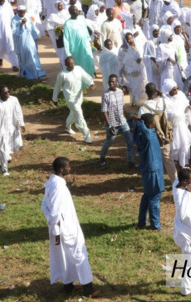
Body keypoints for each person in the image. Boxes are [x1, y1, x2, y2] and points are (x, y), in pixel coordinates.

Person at [41, 157, 99, 297]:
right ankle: (88, 288)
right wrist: (55, 228)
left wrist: (53, 226)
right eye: (68, 166)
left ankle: (68, 286)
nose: (70, 168)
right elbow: (54, 210)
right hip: (65, 229)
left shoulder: (52, 183)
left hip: (60, 228)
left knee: (63, 256)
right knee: (78, 254)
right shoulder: (58, 187)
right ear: (62, 169)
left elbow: (44, 206)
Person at [129, 112, 165, 230]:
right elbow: (143, 128)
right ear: (150, 125)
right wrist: (141, 122)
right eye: (154, 121)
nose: (155, 123)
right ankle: (155, 225)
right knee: (155, 196)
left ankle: (141, 222)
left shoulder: (140, 135)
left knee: (147, 196)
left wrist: (136, 120)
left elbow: (136, 127)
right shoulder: (149, 134)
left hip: (146, 169)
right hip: (153, 170)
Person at [52, 56, 95, 144]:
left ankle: (67, 127)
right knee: (79, 115)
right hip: (70, 99)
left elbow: (85, 76)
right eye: (69, 64)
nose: (71, 66)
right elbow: (57, 87)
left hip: (79, 97)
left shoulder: (78, 69)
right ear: (65, 65)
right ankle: (87, 136)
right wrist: (54, 99)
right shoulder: (62, 75)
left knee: (73, 113)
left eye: (72, 63)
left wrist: (91, 83)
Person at [173, 167, 191, 296]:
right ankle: (186, 290)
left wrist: (185, 168)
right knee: (188, 263)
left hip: (188, 233)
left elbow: (176, 180)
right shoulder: (181, 195)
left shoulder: (177, 184)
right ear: (184, 181)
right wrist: (188, 193)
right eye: (190, 179)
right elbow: (182, 213)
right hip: (185, 236)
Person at [99, 75, 135, 168]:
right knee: (109, 142)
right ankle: (102, 158)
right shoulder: (105, 95)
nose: (111, 83)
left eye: (113, 82)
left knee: (130, 141)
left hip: (122, 122)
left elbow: (122, 106)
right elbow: (104, 111)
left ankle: (130, 162)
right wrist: (109, 125)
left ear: (117, 82)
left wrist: (124, 117)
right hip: (112, 124)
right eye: (109, 82)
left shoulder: (120, 92)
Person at [0, 86, 25, 176]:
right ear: (0, 94)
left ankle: (7, 155)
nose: (8, 93)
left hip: (13, 128)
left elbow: (18, 111)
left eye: (8, 91)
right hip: (2, 131)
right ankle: (5, 170)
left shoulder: (14, 100)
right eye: (5, 92)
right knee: (3, 150)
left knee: (19, 145)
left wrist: (22, 123)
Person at [12, 6, 46, 80]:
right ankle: (28, 74)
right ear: (18, 11)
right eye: (21, 12)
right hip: (21, 42)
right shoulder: (14, 20)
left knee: (34, 56)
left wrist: (35, 38)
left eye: (24, 12)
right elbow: (15, 33)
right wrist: (21, 24)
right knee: (26, 58)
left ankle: (38, 74)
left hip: (30, 40)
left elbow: (32, 28)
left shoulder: (27, 17)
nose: (23, 14)